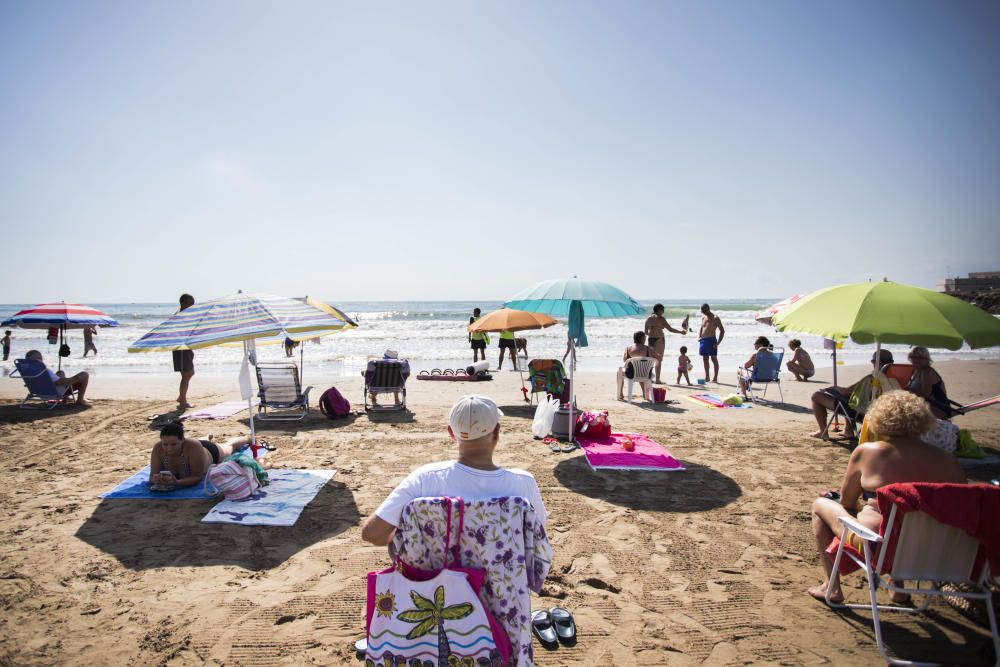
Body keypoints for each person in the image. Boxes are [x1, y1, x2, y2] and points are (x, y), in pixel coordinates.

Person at [808, 391, 966, 605]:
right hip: (937, 551)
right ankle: (898, 590)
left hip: (878, 546)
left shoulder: (869, 452)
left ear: (879, 419)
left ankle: (832, 587)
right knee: (907, 516)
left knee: (821, 505)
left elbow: (847, 503)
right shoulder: (948, 461)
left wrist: (864, 503)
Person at [361, 394, 547, 547]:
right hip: (503, 589)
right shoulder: (523, 483)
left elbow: (371, 534)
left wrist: (413, 535)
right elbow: (537, 536)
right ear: (497, 432)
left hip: (438, 589)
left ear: (451, 433)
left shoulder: (424, 479)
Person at [809, 349, 894, 439]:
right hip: (886, 415)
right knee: (851, 398)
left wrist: (833, 389)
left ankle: (823, 432)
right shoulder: (898, 379)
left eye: (873, 361)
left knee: (816, 396)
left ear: (874, 362)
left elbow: (846, 392)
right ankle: (848, 430)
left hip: (865, 414)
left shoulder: (872, 378)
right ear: (892, 363)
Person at [149, 421, 252, 489]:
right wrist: (156, 479)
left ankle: (246, 438)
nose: (169, 448)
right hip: (197, 447)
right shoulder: (158, 448)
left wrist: (177, 482)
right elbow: (152, 475)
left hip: (210, 452)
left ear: (183, 440)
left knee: (230, 446)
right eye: (165, 444)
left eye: (174, 444)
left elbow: (197, 477)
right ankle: (206, 437)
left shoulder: (193, 447)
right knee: (199, 442)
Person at [24, 349, 90, 405]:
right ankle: (80, 400)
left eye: (41, 358)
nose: (40, 360)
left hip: (40, 393)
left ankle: (66, 397)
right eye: (38, 358)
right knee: (84, 375)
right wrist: (73, 379)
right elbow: (58, 382)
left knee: (60, 372)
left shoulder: (28, 371)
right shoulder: (44, 371)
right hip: (55, 393)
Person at [644, 304, 689, 384]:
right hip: (659, 339)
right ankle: (657, 380)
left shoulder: (648, 319)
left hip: (651, 339)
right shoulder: (661, 319)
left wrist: (652, 331)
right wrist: (680, 332)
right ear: (659, 310)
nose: (663, 312)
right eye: (662, 310)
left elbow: (646, 332)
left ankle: (649, 378)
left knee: (651, 360)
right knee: (659, 359)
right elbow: (670, 329)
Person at [904, 346, 952, 419]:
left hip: (937, 410)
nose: (916, 359)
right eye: (913, 356)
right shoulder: (916, 371)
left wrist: (907, 390)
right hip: (923, 408)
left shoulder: (927, 372)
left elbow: (926, 395)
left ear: (927, 359)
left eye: (920, 357)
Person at [617, 331, 657, 401]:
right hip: (646, 374)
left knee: (619, 372)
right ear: (642, 339)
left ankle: (620, 394)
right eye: (645, 338)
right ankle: (645, 394)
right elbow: (653, 359)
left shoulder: (628, 348)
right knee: (641, 369)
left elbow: (624, 360)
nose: (645, 339)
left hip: (631, 374)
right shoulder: (648, 349)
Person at [173, 294, 196, 409]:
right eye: (191, 303)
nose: (193, 305)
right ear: (184, 303)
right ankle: (183, 402)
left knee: (191, 372)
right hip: (181, 348)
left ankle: (181, 396)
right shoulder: (180, 316)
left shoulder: (186, 315)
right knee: (186, 374)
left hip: (186, 347)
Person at [698, 303, 725, 383]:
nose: (703, 312)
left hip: (711, 340)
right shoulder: (704, 317)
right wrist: (699, 336)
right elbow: (701, 328)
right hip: (703, 341)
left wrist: (718, 343)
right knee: (705, 358)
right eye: (702, 310)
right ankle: (707, 377)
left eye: (704, 310)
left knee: (713, 359)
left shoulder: (715, 318)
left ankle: (715, 378)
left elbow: (722, 331)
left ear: (708, 309)